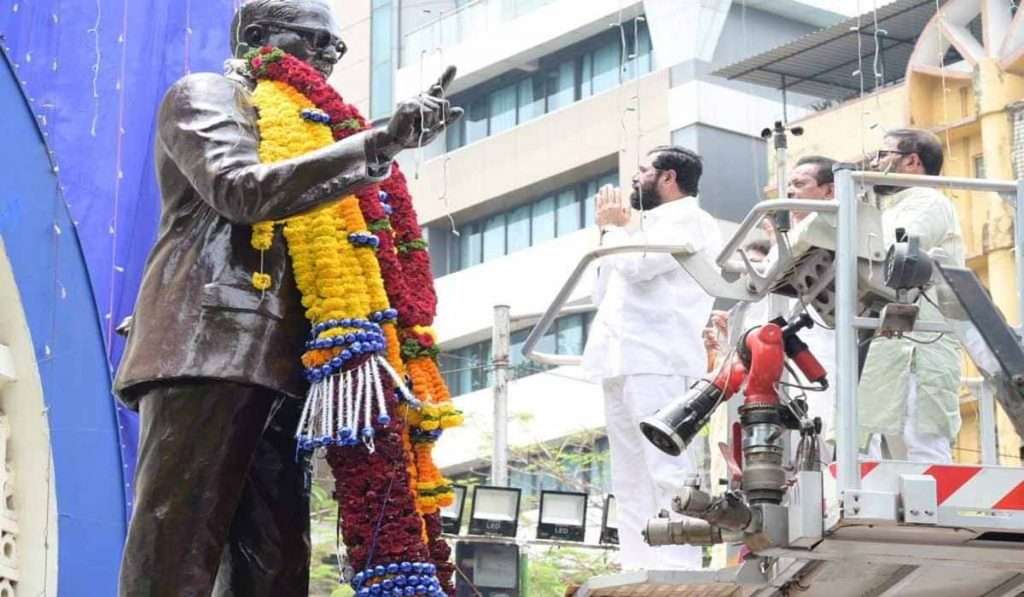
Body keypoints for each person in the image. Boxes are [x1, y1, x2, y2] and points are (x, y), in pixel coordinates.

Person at [113, 1, 462, 594]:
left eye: (336, 48)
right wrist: (378, 145)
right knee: (176, 551)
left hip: (288, 367)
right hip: (210, 345)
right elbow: (239, 190)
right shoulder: (205, 95)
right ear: (257, 37)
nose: (329, 56)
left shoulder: (317, 133)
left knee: (277, 567)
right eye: (316, 41)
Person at [582, 145, 721, 571]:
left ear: (668, 178)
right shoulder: (641, 227)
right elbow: (602, 291)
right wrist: (614, 234)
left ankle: (678, 563)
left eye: (643, 171)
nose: (634, 179)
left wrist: (615, 230)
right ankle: (637, 562)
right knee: (628, 474)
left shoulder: (692, 219)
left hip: (660, 358)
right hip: (620, 359)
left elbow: (640, 266)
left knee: (667, 468)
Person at [859, 128, 964, 463]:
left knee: (923, 434)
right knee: (863, 429)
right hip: (890, 334)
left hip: (923, 338)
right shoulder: (893, 205)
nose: (875, 164)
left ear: (912, 161)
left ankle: (937, 508)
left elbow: (895, 252)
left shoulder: (928, 201)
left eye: (882, 155)